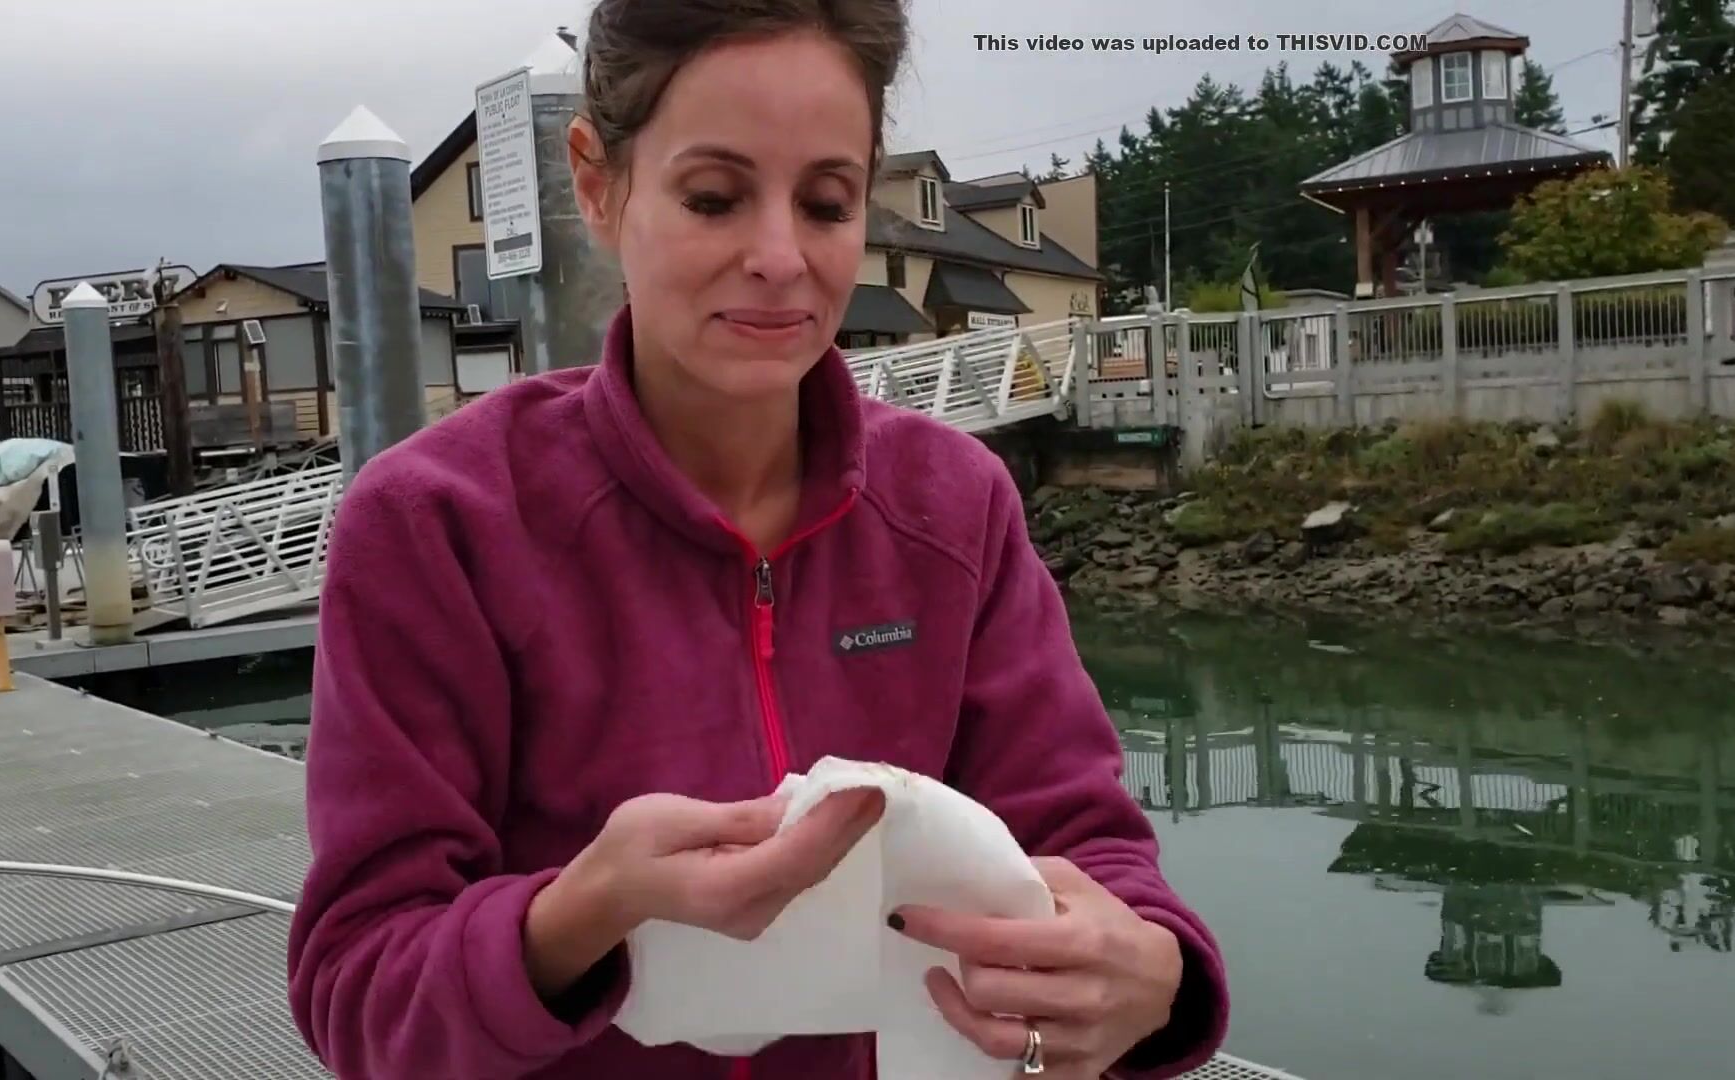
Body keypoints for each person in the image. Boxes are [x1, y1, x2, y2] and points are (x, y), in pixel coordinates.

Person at [284, 0, 1229, 1077]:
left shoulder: (955, 505)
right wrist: (580, 913)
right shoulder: (436, 524)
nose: (780, 258)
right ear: (597, 183)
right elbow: (359, 992)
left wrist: (1152, 969)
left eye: (826, 204)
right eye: (713, 197)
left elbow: (1088, 848)